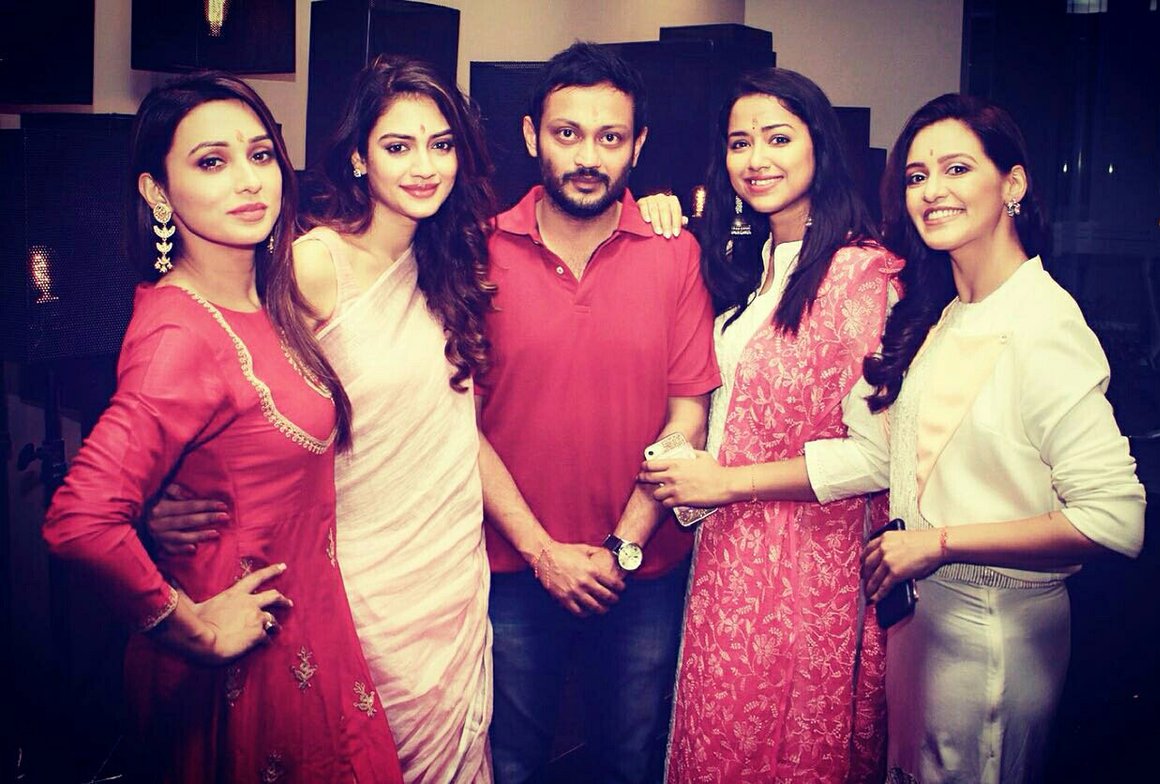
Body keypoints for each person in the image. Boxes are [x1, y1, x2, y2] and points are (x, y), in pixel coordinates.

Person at [654, 92, 1147, 783]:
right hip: (918, 609)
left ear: (1013, 184)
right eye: (918, 176)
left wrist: (935, 541)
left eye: (956, 169)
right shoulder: (947, 313)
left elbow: (1116, 518)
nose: (933, 191)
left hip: (990, 617)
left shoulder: (1040, 322)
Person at [42, 72, 403, 783]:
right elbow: (80, 520)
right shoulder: (180, 332)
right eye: (212, 161)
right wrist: (196, 629)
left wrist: (157, 501)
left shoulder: (260, 297)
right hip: (245, 657)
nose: (248, 180)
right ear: (157, 193)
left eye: (261, 155)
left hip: (308, 626)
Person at [147, 56, 495, 784]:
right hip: (359, 581)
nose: (424, 166)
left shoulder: (451, 260)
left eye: (441, 144)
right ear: (360, 158)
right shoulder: (316, 265)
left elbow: (456, 425)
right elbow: (226, 387)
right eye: (398, 146)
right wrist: (163, 496)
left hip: (452, 573)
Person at [637, 69, 901, 782]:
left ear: (820, 146)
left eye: (778, 139)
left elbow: (878, 457)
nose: (756, 159)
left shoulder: (860, 276)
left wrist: (727, 483)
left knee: (780, 749)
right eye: (739, 143)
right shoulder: (753, 266)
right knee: (716, 737)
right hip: (728, 554)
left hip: (809, 566)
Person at [477, 42, 721, 784]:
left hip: (641, 572)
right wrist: (543, 554)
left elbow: (687, 416)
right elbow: (458, 426)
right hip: (510, 566)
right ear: (532, 136)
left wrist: (622, 548)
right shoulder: (478, 251)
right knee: (511, 763)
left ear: (638, 146)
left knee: (628, 761)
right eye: (568, 133)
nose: (588, 156)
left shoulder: (675, 253)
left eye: (610, 137)